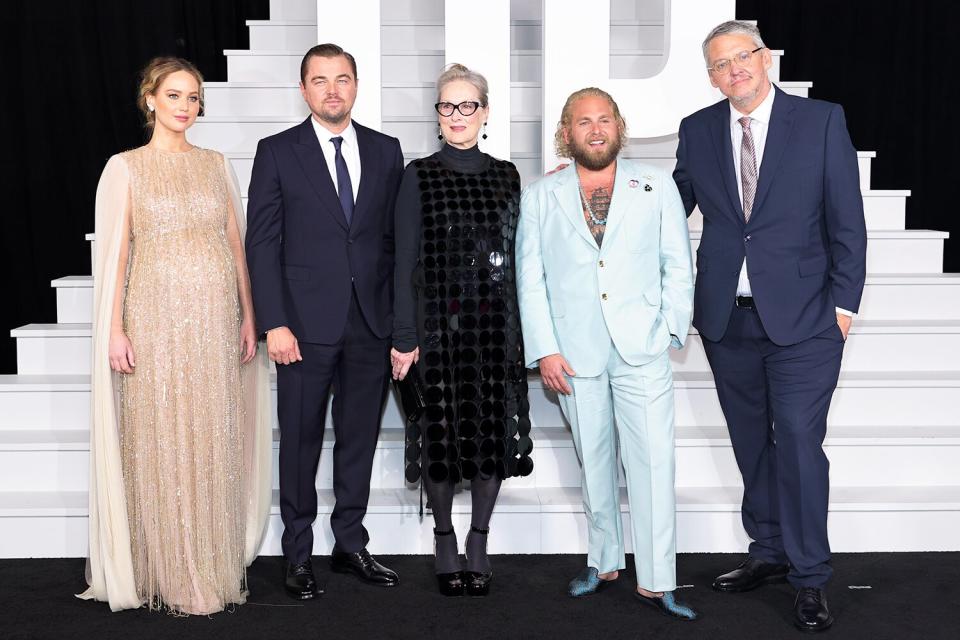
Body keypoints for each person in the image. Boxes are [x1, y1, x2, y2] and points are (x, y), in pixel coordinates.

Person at [672, 20, 867, 633]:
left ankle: (810, 577)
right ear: (710, 77)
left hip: (807, 319)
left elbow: (847, 221)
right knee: (751, 443)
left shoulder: (821, 121)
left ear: (766, 58)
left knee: (800, 446)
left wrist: (843, 306)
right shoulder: (698, 129)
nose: (735, 70)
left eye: (743, 57)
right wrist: (602, 196)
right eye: (720, 64)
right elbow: (671, 207)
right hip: (728, 321)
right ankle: (769, 551)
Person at [81, 56, 272, 615]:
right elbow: (114, 259)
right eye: (174, 96)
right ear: (150, 100)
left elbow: (236, 246)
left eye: (193, 98)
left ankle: (208, 562)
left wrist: (247, 314)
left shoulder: (216, 164)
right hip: (155, 319)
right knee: (162, 439)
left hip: (214, 320)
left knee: (212, 439)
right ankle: (172, 570)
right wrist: (113, 328)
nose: (185, 107)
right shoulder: (126, 168)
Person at [517, 87, 696, 620]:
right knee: (593, 463)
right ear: (566, 133)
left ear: (618, 126)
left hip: (642, 347)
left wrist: (669, 331)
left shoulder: (657, 185)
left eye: (603, 119)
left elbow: (677, 264)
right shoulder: (540, 196)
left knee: (652, 465)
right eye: (581, 121)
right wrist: (545, 350)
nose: (594, 129)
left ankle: (659, 577)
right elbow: (531, 281)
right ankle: (604, 560)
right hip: (573, 355)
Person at [245, 43, 405, 599]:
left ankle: (349, 543)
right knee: (301, 443)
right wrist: (274, 323)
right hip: (302, 329)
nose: (332, 90)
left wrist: (396, 325)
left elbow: (394, 241)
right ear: (303, 88)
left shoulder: (387, 152)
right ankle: (297, 554)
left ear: (356, 85)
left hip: (370, 322)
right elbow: (262, 244)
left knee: (358, 439)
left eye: (342, 79)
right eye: (320, 80)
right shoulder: (277, 152)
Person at [391, 63, 533, 597]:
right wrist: (405, 336)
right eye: (447, 106)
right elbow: (404, 260)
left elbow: (520, 260)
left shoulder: (507, 176)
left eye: (467, 105)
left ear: (486, 112)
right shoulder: (418, 175)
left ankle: (479, 539)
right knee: (441, 437)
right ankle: (445, 536)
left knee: (490, 436)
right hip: (435, 332)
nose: (456, 115)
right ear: (437, 115)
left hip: (495, 330)